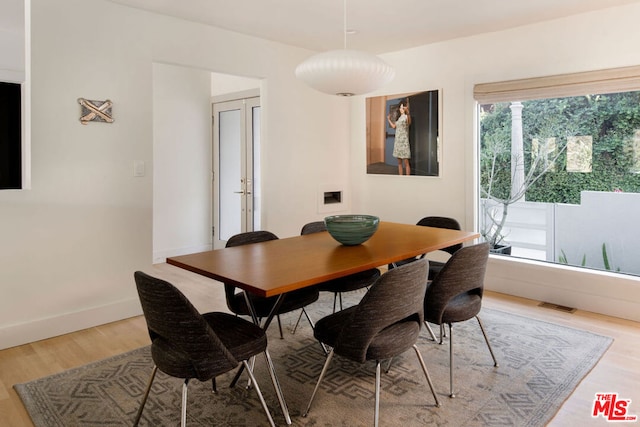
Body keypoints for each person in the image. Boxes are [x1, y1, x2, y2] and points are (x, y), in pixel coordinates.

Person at [387, 100, 411, 175]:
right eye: (400, 108)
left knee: (406, 162)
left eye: (402, 108)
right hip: (398, 142)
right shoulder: (399, 118)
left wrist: (408, 112)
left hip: (404, 142)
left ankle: (408, 180)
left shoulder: (407, 117)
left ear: (405, 108)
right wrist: (388, 119)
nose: (401, 109)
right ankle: (400, 178)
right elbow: (394, 126)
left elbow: (409, 122)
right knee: (399, 162)